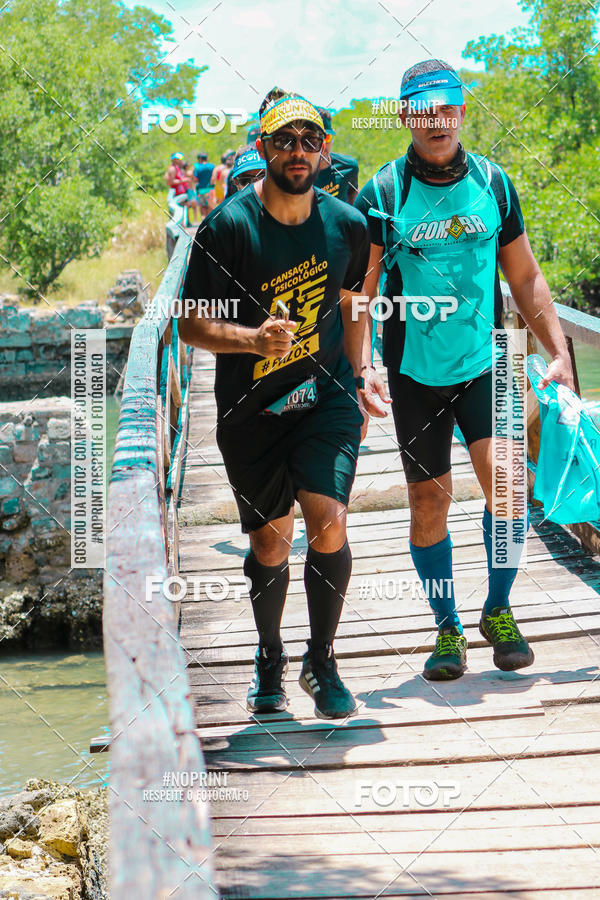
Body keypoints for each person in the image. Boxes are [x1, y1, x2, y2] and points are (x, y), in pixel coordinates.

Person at [354, 59, 574, 681]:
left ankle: (497, 610)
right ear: (405, 116)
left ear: (460, 110)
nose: (437, 120)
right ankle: (446, 627)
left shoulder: (493, 183)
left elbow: (524, 276)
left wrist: (557, 349)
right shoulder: (384, 193)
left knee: (507, 490)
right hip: (414, 374)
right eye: (424, 109)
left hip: (485, 365)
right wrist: (364, 364)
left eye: (446, 107)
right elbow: (360, 293)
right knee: (429, 504)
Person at [179, 88, 370, 719]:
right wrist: (252, 338)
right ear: (262, 150)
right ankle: (270, 657)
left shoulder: (347, 225)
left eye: (309, 140)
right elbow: (189, 325)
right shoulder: (227, 227)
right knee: (269, 543)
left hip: (327, 397)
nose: (298, 151)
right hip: (250, 407)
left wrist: (362, 372)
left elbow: (351, 302)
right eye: (284, 140)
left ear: (325, 151)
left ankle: (323, 658)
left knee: (329, 518)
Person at [314, 107, 359, 204]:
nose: (323, 145)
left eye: (326, 137)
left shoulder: (349, 167)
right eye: (316, 138)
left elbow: (353, 195)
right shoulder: (300, 173)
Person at [193, 151, 214, 217]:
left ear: (200, 159)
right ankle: (210, 219)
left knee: (203, 205)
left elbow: (195, 179)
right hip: (210, 189)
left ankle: (204, 218)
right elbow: (214, 177)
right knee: (210, 205)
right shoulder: (212, 166)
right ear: (207, 159)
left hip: (201, 190)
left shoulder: (198, 168)